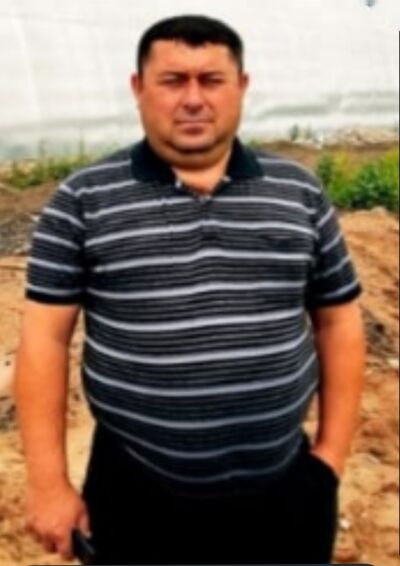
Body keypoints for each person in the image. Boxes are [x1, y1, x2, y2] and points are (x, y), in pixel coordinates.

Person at [15, 14, 366, 565]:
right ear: (139, 88)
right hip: (138, 491)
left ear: (241, 87)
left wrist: (329, 458)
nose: (194, 99)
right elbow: (44, 340)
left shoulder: (298, 192)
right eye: (173, 80)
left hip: (286, 488)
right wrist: (48, 483)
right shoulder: (82, 200)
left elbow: (338, 320)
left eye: (212, 80)